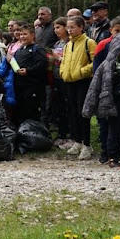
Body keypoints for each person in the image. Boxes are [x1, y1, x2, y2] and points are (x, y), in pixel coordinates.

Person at [83, 33, 120, 167]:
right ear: (118, 49)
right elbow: (111, 79)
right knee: (114, 130)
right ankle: (112, 156)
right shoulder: (110, 63)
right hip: (115, 101)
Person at [90, 16, 120, 163]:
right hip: (105, 89)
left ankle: (119, 152)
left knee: (119, 123)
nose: (119, 33)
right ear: (110, 30)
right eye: (116, 30)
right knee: (104, 122)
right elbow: (96, 67)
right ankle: (105, 152)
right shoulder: (103, 44)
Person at [60, 16, 96, 160]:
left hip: (83, 82)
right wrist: (63, 72)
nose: (69, 30)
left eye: (72, 27)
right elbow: (63, 61)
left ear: (81, 27)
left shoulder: (89, 42)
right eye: (68, 27)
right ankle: (77, 141)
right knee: (72, 112)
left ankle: (87, 144)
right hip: (69, 82)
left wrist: (81, 72)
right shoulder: (68, 45)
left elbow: (96, 62)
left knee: (83, 113)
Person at [13, 24, 48, 125]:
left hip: (33, 87)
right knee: (21, 110)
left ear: (32, 35)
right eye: (20, 34)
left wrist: (28, 71)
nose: (22, 37)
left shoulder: (37, 49)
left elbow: (42, 64)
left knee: (32, 111)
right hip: (19, 86)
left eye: (25, 34)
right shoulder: (19, 50)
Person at [47, 17, 70, 145]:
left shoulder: (69, 43)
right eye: (54, 28)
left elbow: (68, 60)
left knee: (67, 107)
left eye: (58, 27)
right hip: (56, 78)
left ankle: (69, 134)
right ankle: (61, 134)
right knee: (58, 107)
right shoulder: (57, 43)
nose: (56, 30)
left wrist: (58, 57)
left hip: (66, 78)